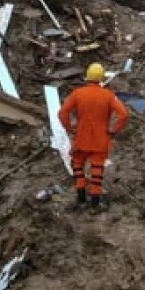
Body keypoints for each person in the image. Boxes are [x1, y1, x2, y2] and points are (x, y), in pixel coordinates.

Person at [57, 63, 129, 211]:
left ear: (87, 77)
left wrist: (70, 129)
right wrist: (114, 130)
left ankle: (81, 198)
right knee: (97, 169)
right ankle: (95, 202)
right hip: (100, 139)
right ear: (101, 78)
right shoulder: (108, 95)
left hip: (81, 138)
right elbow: (123, 114)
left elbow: (62, 113)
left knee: (77, 165)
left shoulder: (77, 93)